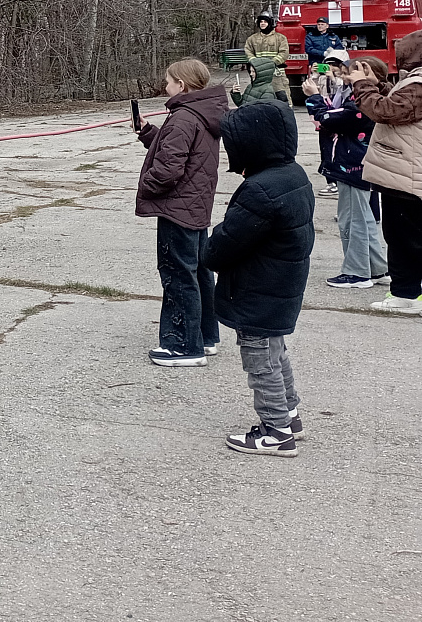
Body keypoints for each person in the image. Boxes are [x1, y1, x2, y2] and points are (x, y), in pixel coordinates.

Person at [208, 101, 315, 458]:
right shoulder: (293, 174)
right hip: (281, 285)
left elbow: (228, 242)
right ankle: (291, 414)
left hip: (258, 290)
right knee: (276, 351)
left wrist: (207, 251)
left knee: (260, 361)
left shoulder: (260, 191)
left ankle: (276, 430)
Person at [134, 58, 229, 366]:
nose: (166, 86)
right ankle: (204, 336)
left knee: (177, 274)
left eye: (169, 81)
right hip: (195, 205)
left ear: (183, 85)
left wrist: (147, 185)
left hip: (178, 208)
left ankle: (183, 345)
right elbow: (180, 149)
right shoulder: (199, 114)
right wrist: (149, 133)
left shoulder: (183, 118)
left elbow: (168, 169)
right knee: (200, 271)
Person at [348, 31, 422, 314]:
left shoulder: (418, 84)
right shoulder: (413, 83)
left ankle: (407, 294)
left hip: (407, 175)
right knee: (403, 236)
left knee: (406, 239)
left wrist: (364, 86)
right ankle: (406, 292)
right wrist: (376, 83)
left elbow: (386, 110)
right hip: (404, 172)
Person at [317, 57, 388, 287]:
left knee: (351, 220)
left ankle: (356, 272)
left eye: (350, 73)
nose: (345, 77)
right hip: (361, 164)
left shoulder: (361, 102)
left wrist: (314, 100)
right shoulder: (371, 99)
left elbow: (333, 119)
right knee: (365, 218)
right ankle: (377, 268)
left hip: (353, 165)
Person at [302, 50, 349, 196]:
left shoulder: (345, 79)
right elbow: (309, 89)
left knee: (337, 152)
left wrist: (334, 78)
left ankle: (337, 181)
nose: (331, 68)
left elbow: (344, 90)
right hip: (324, 121)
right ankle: (330, 181)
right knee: (326, 151)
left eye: (335, 65)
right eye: (327, 64)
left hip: (339, 119)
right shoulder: (322, 78)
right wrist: (315, 74)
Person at [244, 13, 292, 103]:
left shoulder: (280, 38)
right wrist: (255, 63)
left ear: (270, 23)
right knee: (259, 97)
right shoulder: (252, 39)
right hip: (259, 75)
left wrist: (271, 64)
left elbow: (284, 53)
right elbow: (248, 52)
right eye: (261, 22)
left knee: (282, 97)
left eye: (265, 21)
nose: (262, 23)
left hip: (276, 74)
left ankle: (287, 113)